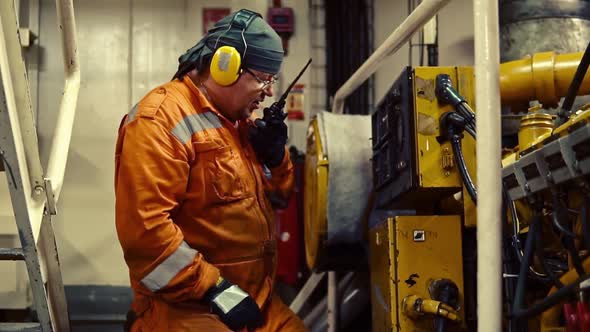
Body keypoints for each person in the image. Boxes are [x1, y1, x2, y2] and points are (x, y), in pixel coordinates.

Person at [115, 9, 307, 332]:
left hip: (253, 300)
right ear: (224, 67)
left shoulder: (239, 126)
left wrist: (276, 158)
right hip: (186, 307)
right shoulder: (159, 120)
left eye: (272, 80)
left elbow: (279, 198)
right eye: (263, 78)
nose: (270, 91)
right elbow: (145, 237)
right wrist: (216, 289)